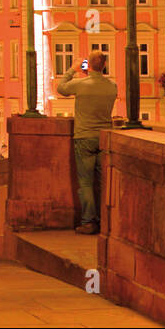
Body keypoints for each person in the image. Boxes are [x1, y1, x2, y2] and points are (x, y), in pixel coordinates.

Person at [57, 51, 118, 234]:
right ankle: (104, 222)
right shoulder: (112, 86)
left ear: (88, 65)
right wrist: (91, 73)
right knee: (102, 182)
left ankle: (88, 221)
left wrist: (73, 69)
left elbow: (61, 88)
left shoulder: (81, 84)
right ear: (104, 66)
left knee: (86, 183)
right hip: (104, 138)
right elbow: (96, 84)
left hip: (84, 137)